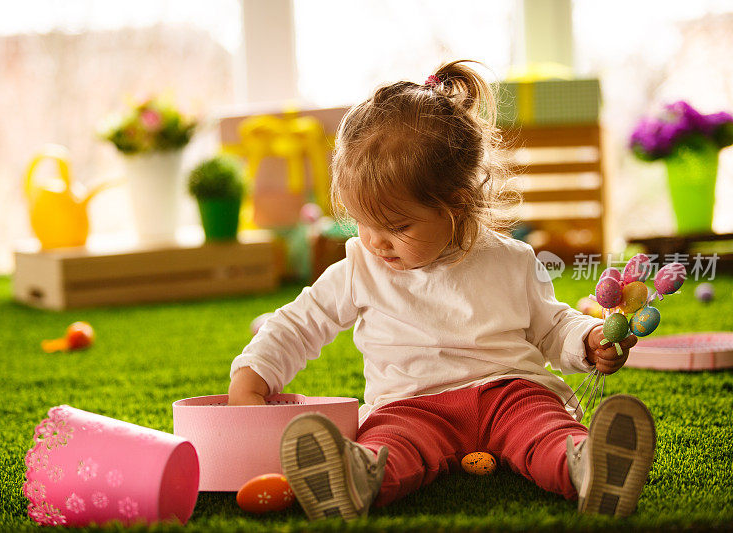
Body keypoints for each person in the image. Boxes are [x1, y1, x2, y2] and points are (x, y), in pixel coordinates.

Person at [228, 60, 655, 521]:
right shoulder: (360, 266)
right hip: (411, 403)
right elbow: (299, 322)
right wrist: (255, 372)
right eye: (363, 221)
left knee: (544, 426)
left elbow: (551, 324)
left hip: (509, 390)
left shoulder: (510, 259)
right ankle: (357, 475)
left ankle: (587, 465)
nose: (374, 240)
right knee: (391, 442)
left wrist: (587, 340)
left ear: (457, 204)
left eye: (396, 226)